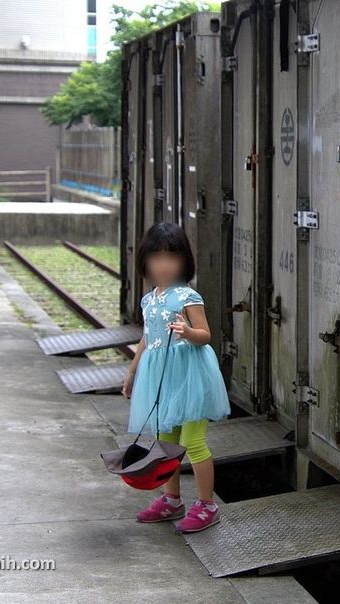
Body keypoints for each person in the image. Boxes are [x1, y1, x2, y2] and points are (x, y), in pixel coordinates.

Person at [122, 222, 231, 533]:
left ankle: (207, 504)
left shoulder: (187, 295)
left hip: (190, 375)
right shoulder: (148, 299)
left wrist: (188, 331)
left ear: (184, 261)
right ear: (145, 261)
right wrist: (133, 371)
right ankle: (171, 499)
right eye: (157, 258)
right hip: (159, 377)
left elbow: (206, 335)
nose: (164, 265)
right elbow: (147, 337)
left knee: (193, 441)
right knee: (164, 440)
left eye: (172, 257)